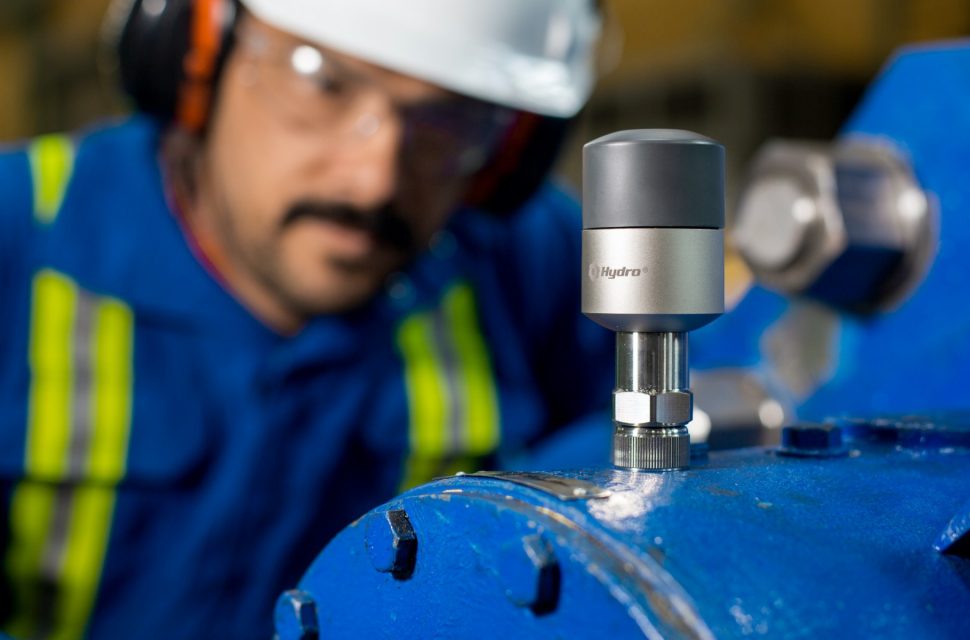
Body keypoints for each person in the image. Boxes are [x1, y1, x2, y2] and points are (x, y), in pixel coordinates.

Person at [0, 0, 612, 637]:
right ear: (196, 48)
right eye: (324, 81)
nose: (374, 180)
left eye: (450, 122)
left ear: (513, 148)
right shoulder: (17, 235)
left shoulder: (526, 260)